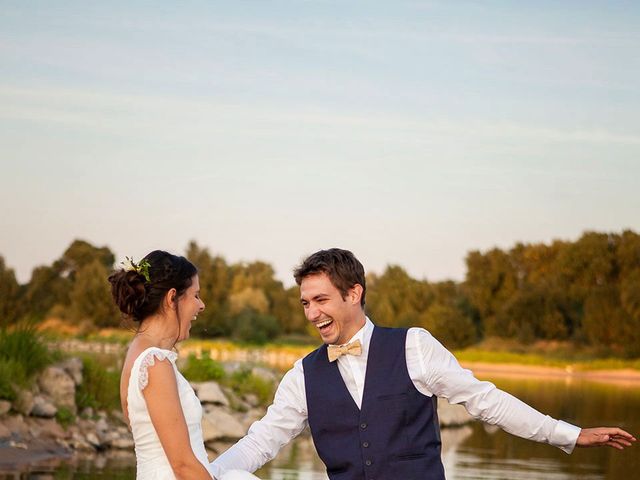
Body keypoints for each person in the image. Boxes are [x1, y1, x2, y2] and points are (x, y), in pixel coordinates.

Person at [211, 248, 636, 480]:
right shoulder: (302, 375)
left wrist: (570, 434)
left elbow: (487, 402)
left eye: (321, 300)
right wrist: (203, 474)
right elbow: (261, 441)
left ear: (354, 294)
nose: (311, 313)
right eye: (305, 302)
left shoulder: (414, 346)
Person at [109, 250, 257, 480]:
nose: (202, 305)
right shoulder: (154, 363)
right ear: (171, 298)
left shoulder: (139, 355)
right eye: (195, 295)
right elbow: (182, 466)